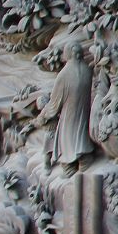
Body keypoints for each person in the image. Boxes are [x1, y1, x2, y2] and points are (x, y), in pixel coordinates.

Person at [37, 41, 95, 171]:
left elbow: (54, 104)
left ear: (67, 54)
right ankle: (84, 160)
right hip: (86, 112)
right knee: (81, 132)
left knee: (67, 137)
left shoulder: (64, 74)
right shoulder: (87, 70)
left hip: (69, 114)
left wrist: (43, 116)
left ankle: (70, 166)